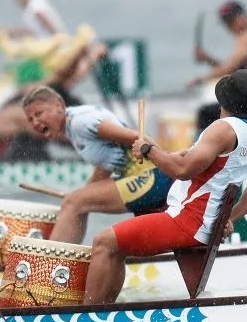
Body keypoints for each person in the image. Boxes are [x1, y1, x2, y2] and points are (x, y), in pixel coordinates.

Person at [83, 70, 247, 304]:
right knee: (116, 247)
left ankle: (86, 314)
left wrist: (148, 151)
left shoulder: (222, 128)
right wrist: (230, 218)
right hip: (202, 225)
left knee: (103, 242)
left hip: (186, 222)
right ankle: (103, 309)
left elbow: (182, 170)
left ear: (224, 101)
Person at [22, 86, 173, 243]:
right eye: (30, 119)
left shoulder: (80, 123)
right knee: (76, 200)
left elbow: (137, 137)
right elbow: (107, 163)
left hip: (152, 180)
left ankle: (53, 264)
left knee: (74, 203)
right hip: (145, 179)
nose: (35, 122)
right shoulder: (73, 124)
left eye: (39, 114)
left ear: (59, 105)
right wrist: (83, 192)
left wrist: (170, 169)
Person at [190, 1, 247, 130]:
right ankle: (219, 147)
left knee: (205, 114)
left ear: (242, 17)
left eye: (230, 21)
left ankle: (205, 149)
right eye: (225, 22)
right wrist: (207, 58)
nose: (228, 26)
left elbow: (229, 67)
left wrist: (201, 79)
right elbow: (234, 69)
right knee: (214, 110)